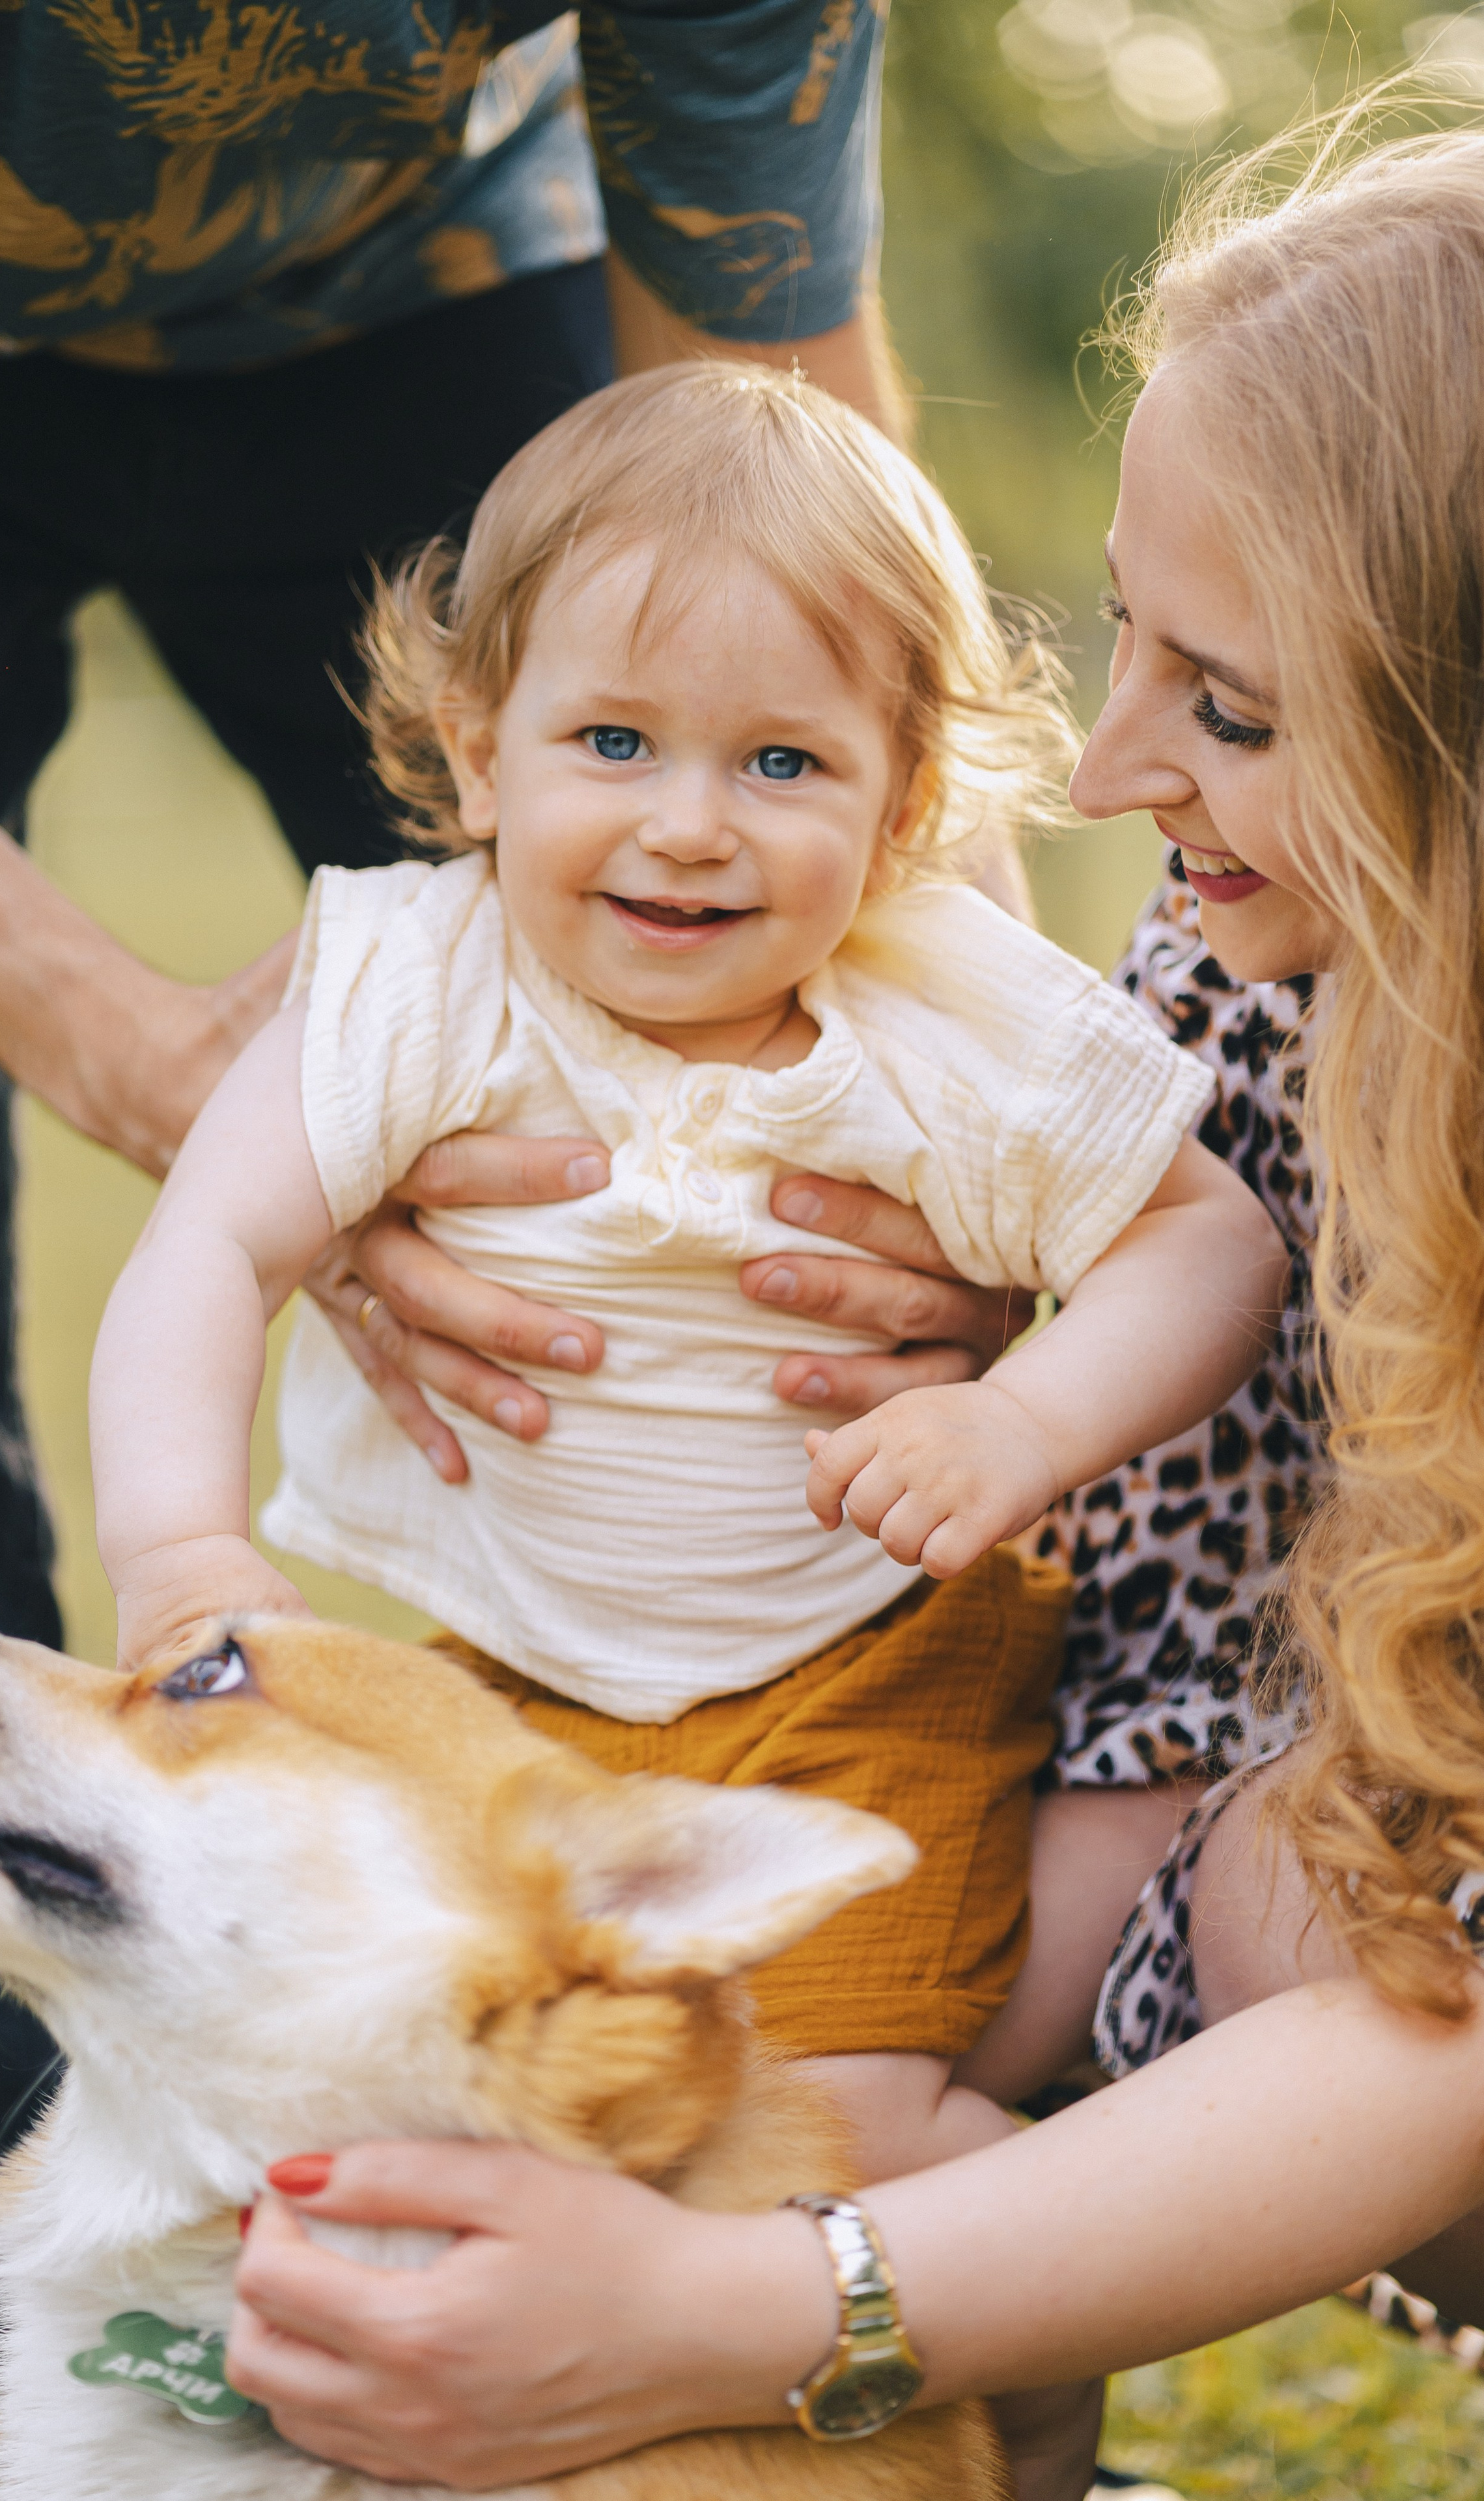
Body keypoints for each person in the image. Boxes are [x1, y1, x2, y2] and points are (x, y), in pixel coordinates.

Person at [214, 100, 1484, 2501]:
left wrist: (757, 2296)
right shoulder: (1264, 990)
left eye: (1228, 705)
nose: (1107, 768)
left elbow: (1447, 1975)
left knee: (1321, 1926)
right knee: (1005, 1918)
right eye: (1126, 635)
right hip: (1214, 1803)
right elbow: (1170, 1626)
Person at [0, 1, 905, 2487]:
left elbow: (788, 476)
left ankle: (654, 2308)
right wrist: (138, 1064)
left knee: (672, 1290)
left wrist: (880, 1116)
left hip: (436, 320)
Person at [86, 363, 1283, 2270]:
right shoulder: (413, 982)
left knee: (846, 2124)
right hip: (511, 1680)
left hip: (864, 1674)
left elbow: (1209, 1244)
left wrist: (1020, 1421)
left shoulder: (950, 1021)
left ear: (902, 808)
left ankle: (1035, 2351)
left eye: (785, 764)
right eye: (616, 742)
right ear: (483, 754)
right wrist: (177, 1541)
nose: (692, 826)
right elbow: (208, 1252)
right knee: (508, 2112)